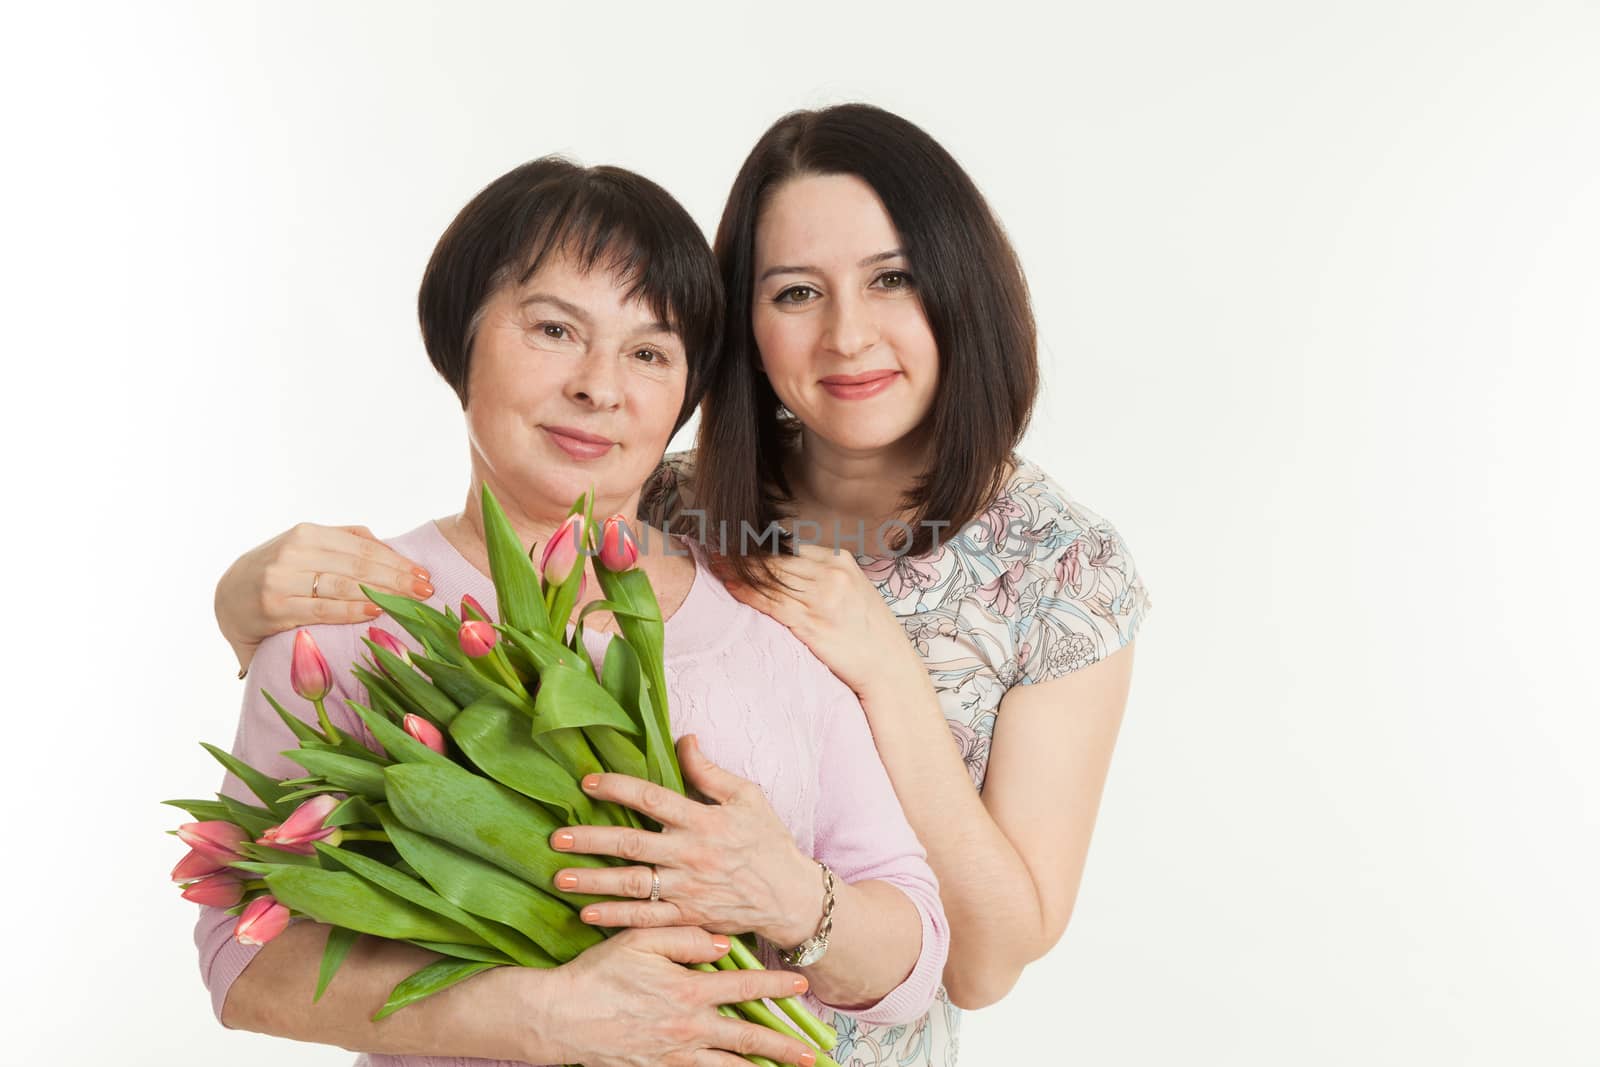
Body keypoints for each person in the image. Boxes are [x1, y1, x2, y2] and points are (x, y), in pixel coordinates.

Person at [215, 104, 1150, 1067]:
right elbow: (266, 914)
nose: (847, 334)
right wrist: (245, 608)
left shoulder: (1051, 565)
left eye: (894, 278)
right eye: (794, 292)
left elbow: (975, 962)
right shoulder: (670, 500)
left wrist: (884, 680)